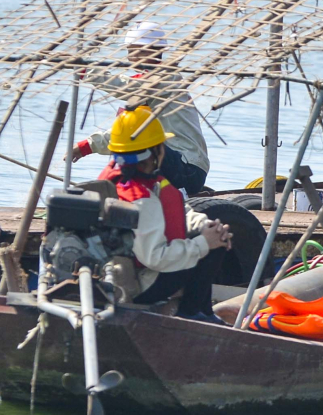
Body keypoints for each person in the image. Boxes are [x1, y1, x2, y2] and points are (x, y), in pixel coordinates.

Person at [94, 106, 233, 321]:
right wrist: (204, 244)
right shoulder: (141, 200)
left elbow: (179, 211)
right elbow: (156, 258)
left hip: (124, 271)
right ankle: (191, 313)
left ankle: (203, 310)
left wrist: (204, 225)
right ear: (155, 153)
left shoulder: (128, 181)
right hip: (138, 286)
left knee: (211, 238)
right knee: (213, 249)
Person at [71, 21, 211, 194]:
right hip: (176, 164)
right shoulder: (146, 84)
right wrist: (87, 146)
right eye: (130, 51)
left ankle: (174, 196)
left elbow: (128, 89)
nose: (131, 57)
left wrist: (88, 72)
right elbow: (126, 132)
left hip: (187, 167)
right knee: (128, 149)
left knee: (137, 151)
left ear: (154, 51)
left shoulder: (165, 78)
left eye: (136, 51)